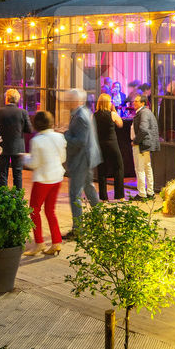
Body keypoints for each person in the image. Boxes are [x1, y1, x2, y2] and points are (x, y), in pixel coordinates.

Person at [24, 110, 66, 256]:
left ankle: (39, 242)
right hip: (57, 176)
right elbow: (62, 158)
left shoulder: (37, 140)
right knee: (50, 210)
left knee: (34, 210)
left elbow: (34, 163)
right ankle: (56, 241)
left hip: (43, 179)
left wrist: (25, 158)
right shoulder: (60, 137)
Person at [62, 89, 101, 240]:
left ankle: (78, 230)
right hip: (86, 158)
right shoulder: (83, 112)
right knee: (89, 189)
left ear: (75, 101)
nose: (66, 102)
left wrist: (65, 134)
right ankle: (98, 222)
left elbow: (80, 141)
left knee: (75, 194)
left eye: (68, 100)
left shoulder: (80, 116)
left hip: (81, 159)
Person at [0, 89, 33, 191]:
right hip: (18, 147)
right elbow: (29, 129)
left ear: (6, 98)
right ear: (17, 100)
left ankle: (3, 199)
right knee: (18, 174)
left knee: (3, 175)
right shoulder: (23, 112)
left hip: (2, 147)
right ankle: (18, 199)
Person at [94, 92, 125, 200]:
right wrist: (115, 111)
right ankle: (119, 196)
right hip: (112, 144)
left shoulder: (94, 115)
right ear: (108, 103)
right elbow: (120, 124)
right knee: (118, 167)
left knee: (102, 170)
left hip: (100, 144)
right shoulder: (112, 114)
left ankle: (103, 198)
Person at [130, 90, 159, 197]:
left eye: (136, 101)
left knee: (140, 168)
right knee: (147, 167)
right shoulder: (146, 112)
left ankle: (142, 193)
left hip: (141, 145)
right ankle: (150, 192)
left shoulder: (143, 113)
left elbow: (143, 130)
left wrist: (135, 141)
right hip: (146, 144)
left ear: (143, 103)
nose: (134, 103)